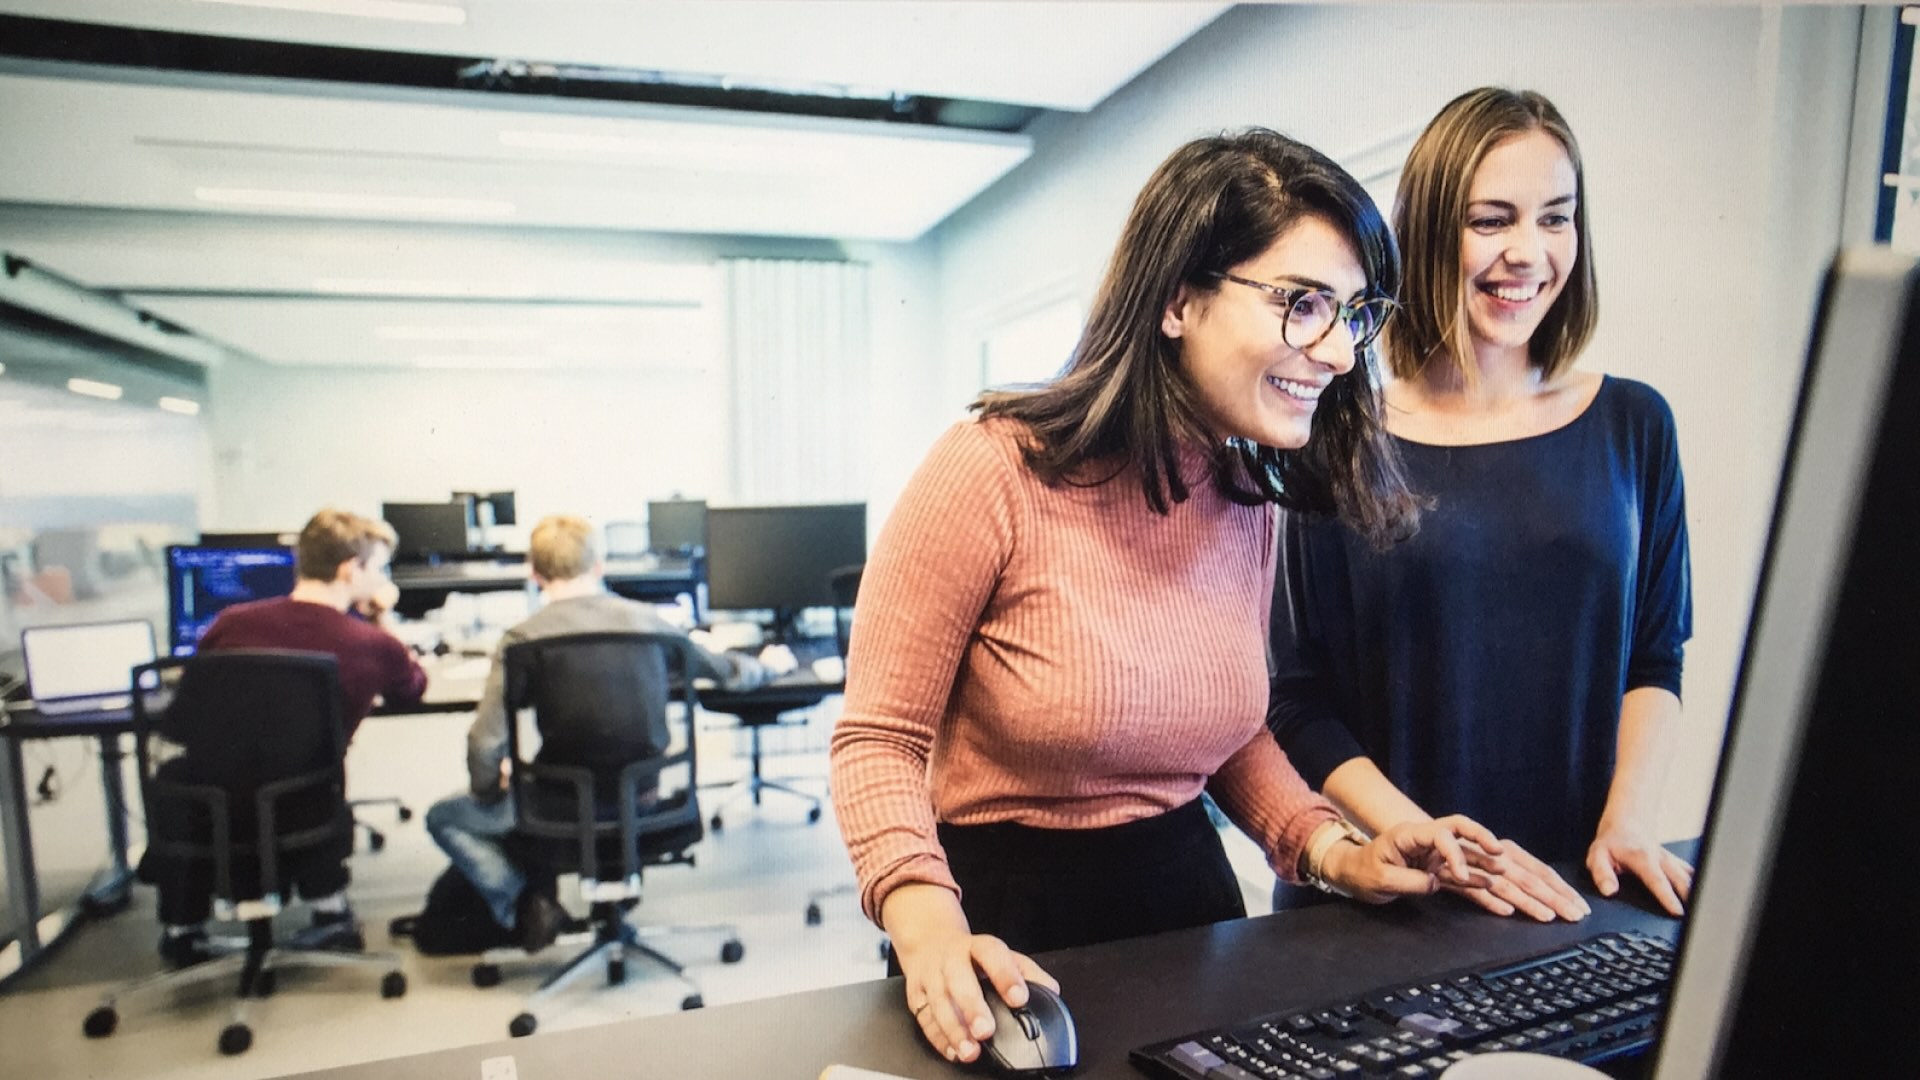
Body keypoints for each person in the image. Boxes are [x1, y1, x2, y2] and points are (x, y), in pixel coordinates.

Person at [830, 128, 1507, 1067]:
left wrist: (1331, 850)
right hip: (994, 920)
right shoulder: (990, 468)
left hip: (1188, 906)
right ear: (1180, 298)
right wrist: (926, 928)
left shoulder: (1245, 496)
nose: (1339, 352)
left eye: (1350, 314)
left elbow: (1232, 732)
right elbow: (878, 739)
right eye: (1301, 303)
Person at [1269, 87, 1693, 924]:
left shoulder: (1634, 425)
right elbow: (1297, 701)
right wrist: (1424, 841)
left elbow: (1655, 656)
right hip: (1390, 894)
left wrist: (1629, 823)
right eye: (1492, 220)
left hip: (1570, 895)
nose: (1529, 253)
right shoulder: (1336, 434)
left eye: (1556, 218)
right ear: (1428, 233)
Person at [423, 514, 777, 952]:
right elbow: (729, 672)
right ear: (598, 566)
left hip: (555, 807)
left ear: (534, 574)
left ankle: (521, 905)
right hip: (644, 799)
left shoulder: (521, 638)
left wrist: (488, 790)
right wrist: (771, 665)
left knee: (442, 816)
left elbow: (484, 742)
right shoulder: (650, 622)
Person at [141, 508, 428, 966]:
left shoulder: (230, 623)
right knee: (308, 778)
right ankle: (329, 912)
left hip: (210, 805)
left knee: (182, 772)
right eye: (378, 569)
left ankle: (183, 929)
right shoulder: (372, 645)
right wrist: (382, 618)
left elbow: (183, 721)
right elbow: (412, 690)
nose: (381, 580)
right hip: (304, 803)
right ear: (351, 569)